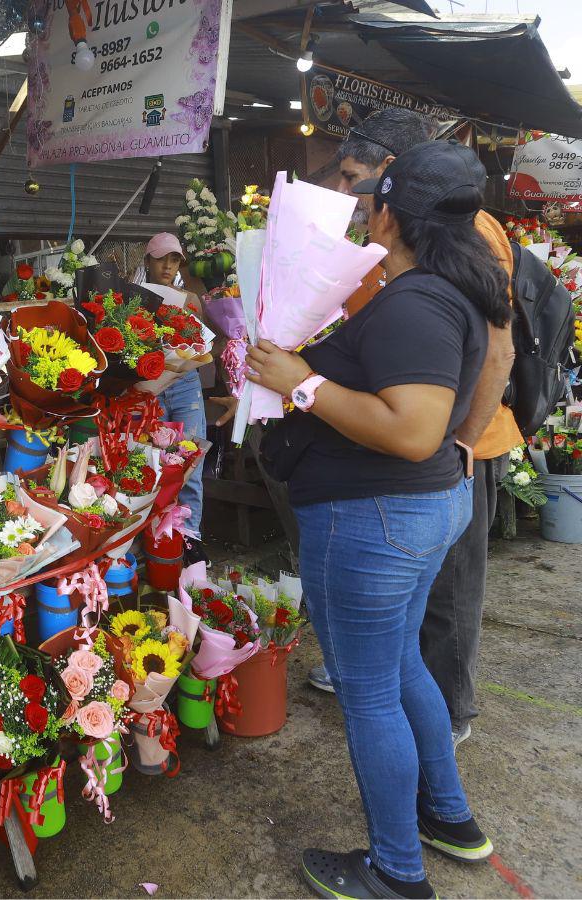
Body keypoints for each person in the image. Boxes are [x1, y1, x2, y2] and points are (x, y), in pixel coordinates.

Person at [249, 141, 505, 899]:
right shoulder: (449, 288)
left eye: (367, 206)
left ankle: (396, 871)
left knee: (367, 692)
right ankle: (448, 818)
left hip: (374, 521)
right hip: (414, 512)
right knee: (400, 668)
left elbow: (411, 428)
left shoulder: (417, 300)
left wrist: (301, 385)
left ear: (388, 216)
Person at [306, 111, 520, 752]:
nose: (348, 192)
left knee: (447, 596)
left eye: (353, 177)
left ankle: (448, 714)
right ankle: (383, 675)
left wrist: (459, 438)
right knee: (398, 609)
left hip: (449, 444)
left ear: (394, 174)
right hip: (395, 437)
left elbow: (498, 351)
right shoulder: (391, 235)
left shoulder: (463, 230)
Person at [139, 232, 215, 546]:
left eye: (174, 260)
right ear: (147, 261)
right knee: (154, 463)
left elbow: (206, 341)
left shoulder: (191, 301)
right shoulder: (136, 298)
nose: (167, 266)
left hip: (185, 385)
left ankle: (190, 541)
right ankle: (158, 540)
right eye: (161, 258)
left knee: (191, 462)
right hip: (151, 384)